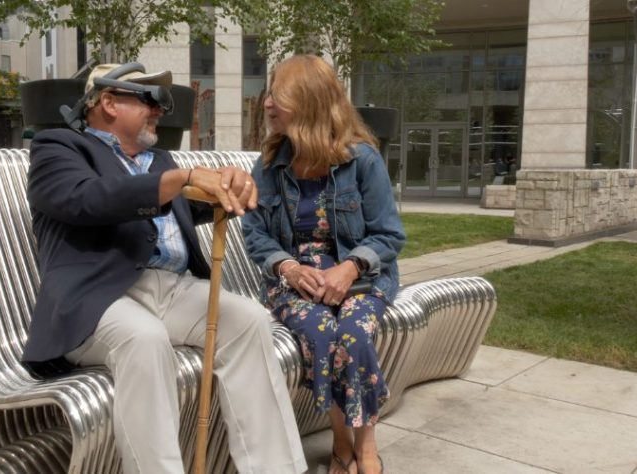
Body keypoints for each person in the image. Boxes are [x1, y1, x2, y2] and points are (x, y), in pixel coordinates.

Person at [22, 62, 307, 474]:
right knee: (144, 339)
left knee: (248, 321)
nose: (161, 110)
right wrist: (182, 177)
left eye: (164, 102)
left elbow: (189, 203)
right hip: (97, 297)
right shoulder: (59, 148)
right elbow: (88, 199)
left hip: (171, 288)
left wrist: (229, 186)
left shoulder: (158, 160)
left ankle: (275, 469)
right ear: (107, 102)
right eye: (151, 99)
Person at [241, 55, 406, 474]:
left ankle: (365, 447)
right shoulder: (270, 166)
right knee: (320, 330)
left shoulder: (363, 161)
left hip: (361, 276)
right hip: (295, 280)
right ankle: (339, 440)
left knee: (353, 332)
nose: (267, 104)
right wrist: (288, 269)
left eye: (277, 95)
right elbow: (255, 233)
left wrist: (349, 268)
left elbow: (388, 235)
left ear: (308, 101)